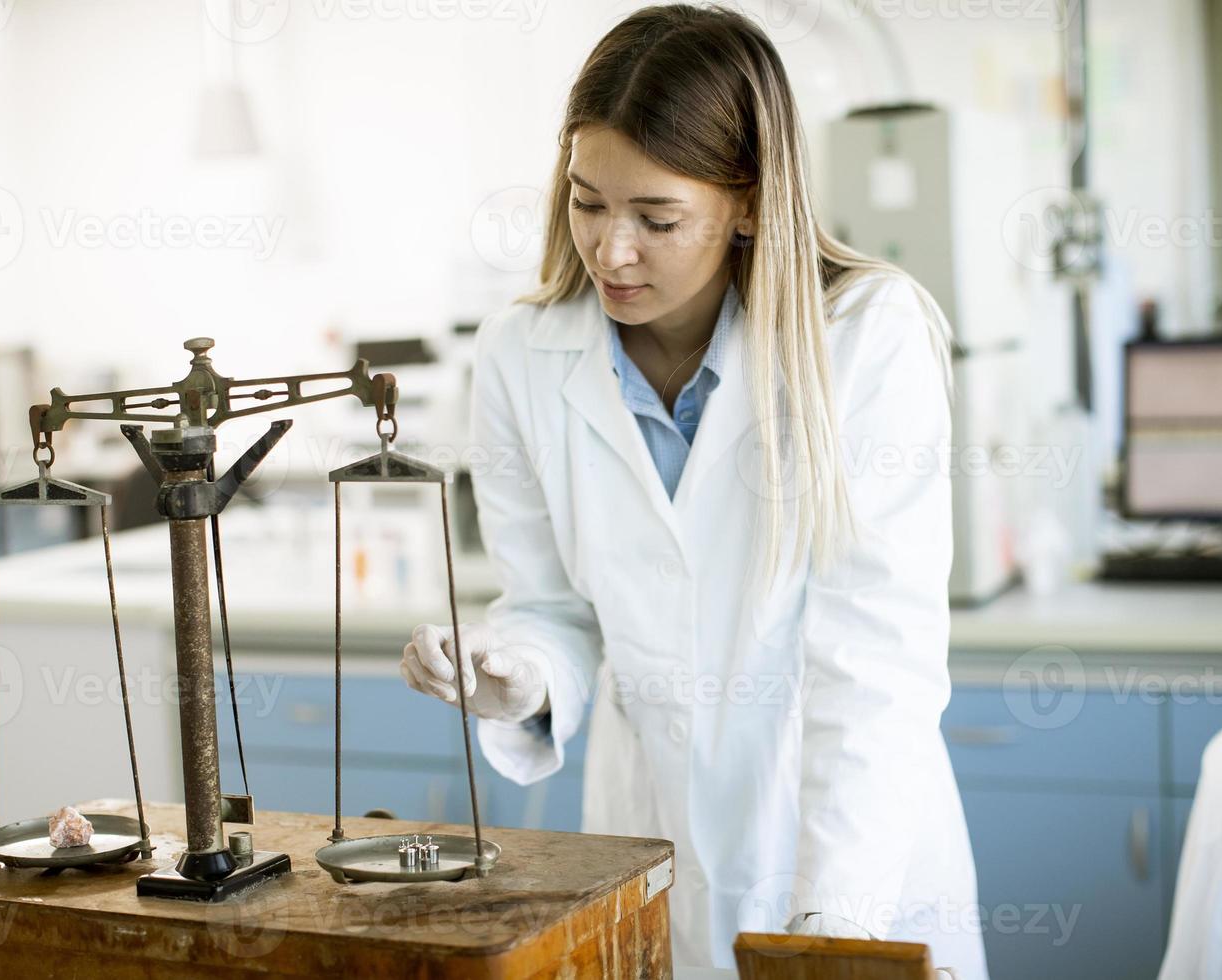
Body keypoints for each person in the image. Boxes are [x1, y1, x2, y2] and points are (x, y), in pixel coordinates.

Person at [401, 4, 986, 975]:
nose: (611, 249)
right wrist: (523, 673)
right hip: (649, 835)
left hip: (848, 846)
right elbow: (551, 606)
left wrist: (832, 923)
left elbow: (875, 660)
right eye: (588, 202)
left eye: (656, 218)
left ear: (750, 200)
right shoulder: (519, 354)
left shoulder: (867, 340)